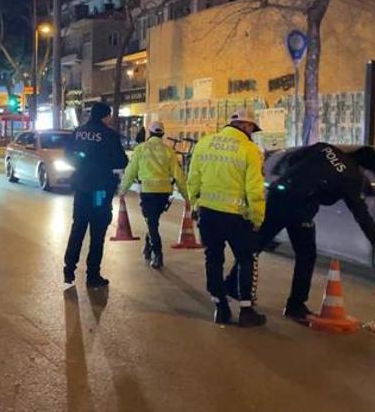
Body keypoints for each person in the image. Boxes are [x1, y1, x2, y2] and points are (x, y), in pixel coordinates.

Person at [225, 144, 375, 323]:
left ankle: (232, 284)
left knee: (257, 244)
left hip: (278, 194)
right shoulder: (351, 176)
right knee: (306, 255)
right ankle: (295, 306)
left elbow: (292, 159)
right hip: (300, 206)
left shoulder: (325, 148)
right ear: (364, 166)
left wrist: (297, 178)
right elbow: (361, 213)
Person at [188, 110, 267, 327]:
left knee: (213, 259)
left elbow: (193, 179)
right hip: (236, 216)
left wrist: (196, 204)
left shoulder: (204, 143)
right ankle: (246, 310)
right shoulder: (250, 149)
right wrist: (257, 218)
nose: (251, 132)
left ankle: (220, 307)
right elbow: (255, 188)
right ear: (246, 126)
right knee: (246, 259)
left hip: (208, 212)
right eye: (252, 129)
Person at [63, 102, 129, 288]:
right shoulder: (109, 135)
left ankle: (69, 269)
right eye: (109, 116)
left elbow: (67, 155)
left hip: (81, 188)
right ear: (105, 116)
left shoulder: (78, 132)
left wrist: (82, 165)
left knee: (78, 228)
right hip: (99, 191)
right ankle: (93, 275)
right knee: (97, 232)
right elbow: (121, 161)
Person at [119, 121, 188, 269]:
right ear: (162, 134)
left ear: (149, 133)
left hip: (148, 192)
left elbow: (131, 171)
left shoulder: (141, 149)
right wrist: (186, 195)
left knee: (151, 223)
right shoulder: (168, 151)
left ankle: (158, 254)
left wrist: (123, 189)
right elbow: (178, 175)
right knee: (153, 221)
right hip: (164, 193)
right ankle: (147, 248)